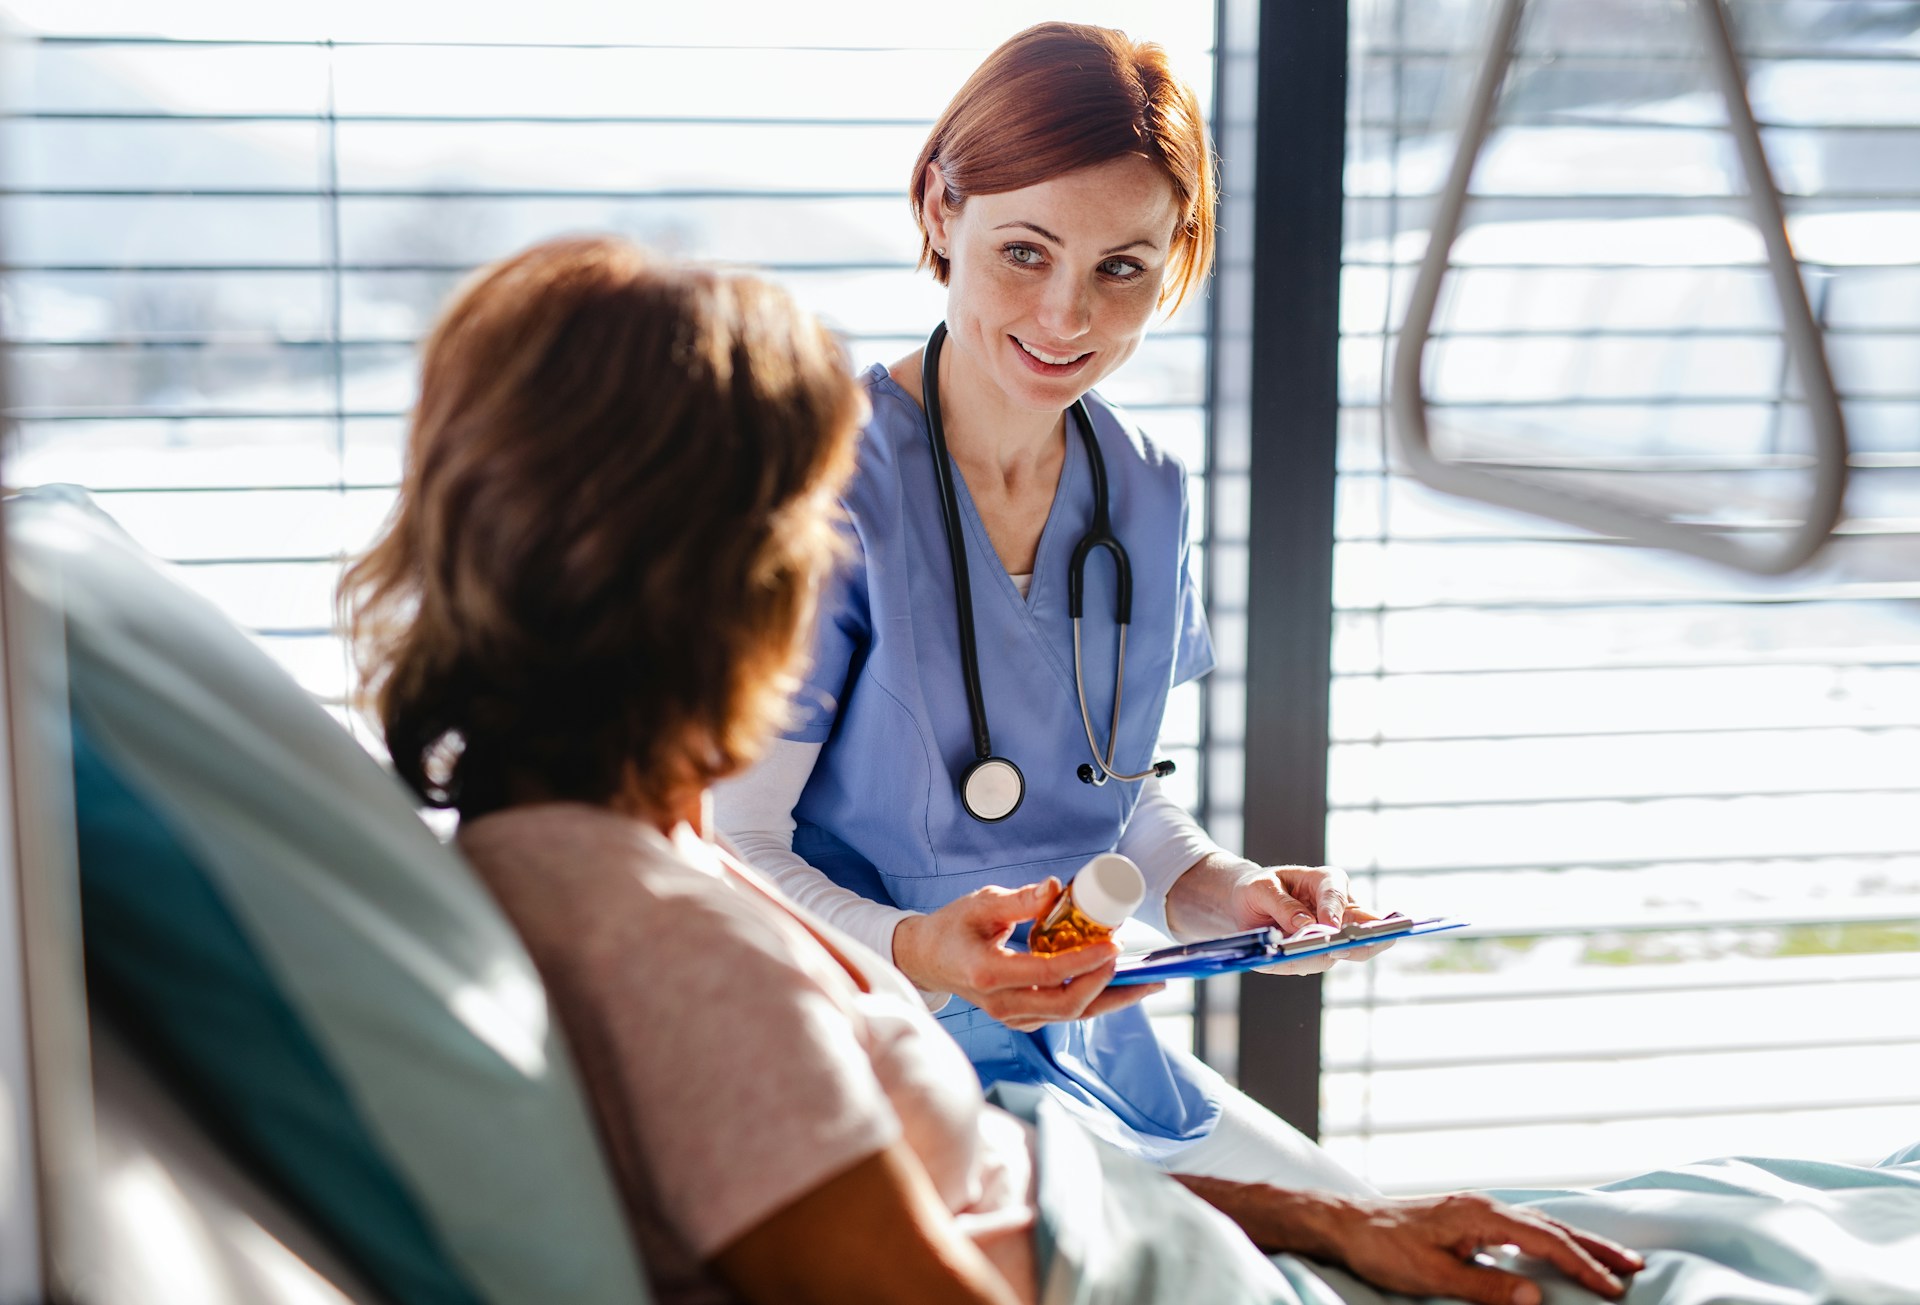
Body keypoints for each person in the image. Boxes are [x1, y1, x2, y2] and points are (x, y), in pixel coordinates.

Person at [339, 235, 1639, 1305]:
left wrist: (1324, 1221)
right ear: (719, 589)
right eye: (813, 532)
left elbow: (975, 1183)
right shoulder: (678, 958)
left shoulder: (599, 856)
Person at [716, 20, 1376, 1182]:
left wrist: (1233, 896)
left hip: (1082, 1035)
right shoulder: (825, 486)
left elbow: (1109, 812)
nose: (1067, 317)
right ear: (939, 209)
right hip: (869, 1044)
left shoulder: (1146, 492)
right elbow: (737, 845)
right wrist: (923, 949)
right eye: (1026, 251)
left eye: (1121, 267)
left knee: (1343, 1211)